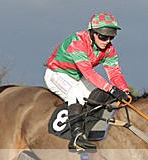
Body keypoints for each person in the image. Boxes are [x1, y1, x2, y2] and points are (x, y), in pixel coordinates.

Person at [44, 12, 132, 151]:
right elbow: (88, 72)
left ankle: (91, 127)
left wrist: (124, 90)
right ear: (92, 33)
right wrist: (112, 89)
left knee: (102, 94)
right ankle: (77, 138)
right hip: (57, 73)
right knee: (76, 94)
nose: (107, 40)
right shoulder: (77, 42)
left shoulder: (109, 50)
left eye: (111, 36)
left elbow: (114, 72)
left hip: (77, 76)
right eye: (103, 36)